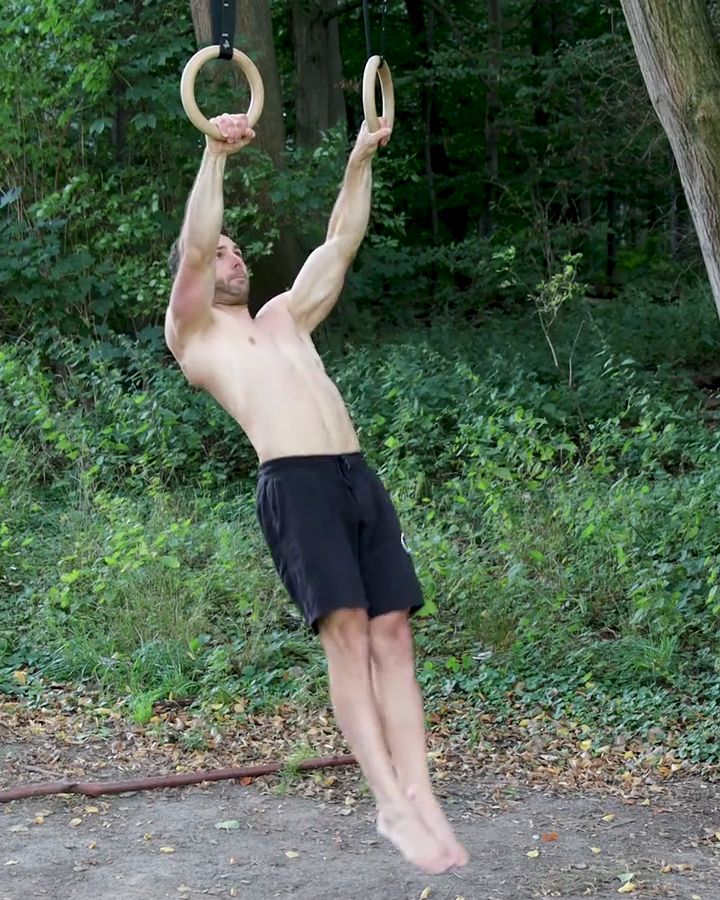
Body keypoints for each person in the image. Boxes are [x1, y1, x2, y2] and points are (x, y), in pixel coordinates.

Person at [165, 112, 467, 875]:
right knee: (350, 634)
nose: (232, 259)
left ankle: (421, 792)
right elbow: (197, 245)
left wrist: (361, 156)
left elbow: (340, 242)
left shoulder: (283, 318)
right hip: (294, 485)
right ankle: (388, 801)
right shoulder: (195, 332)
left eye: (239, 252)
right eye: (223, 253)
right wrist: (214, 153)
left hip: (354, 477)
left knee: (394, 633)